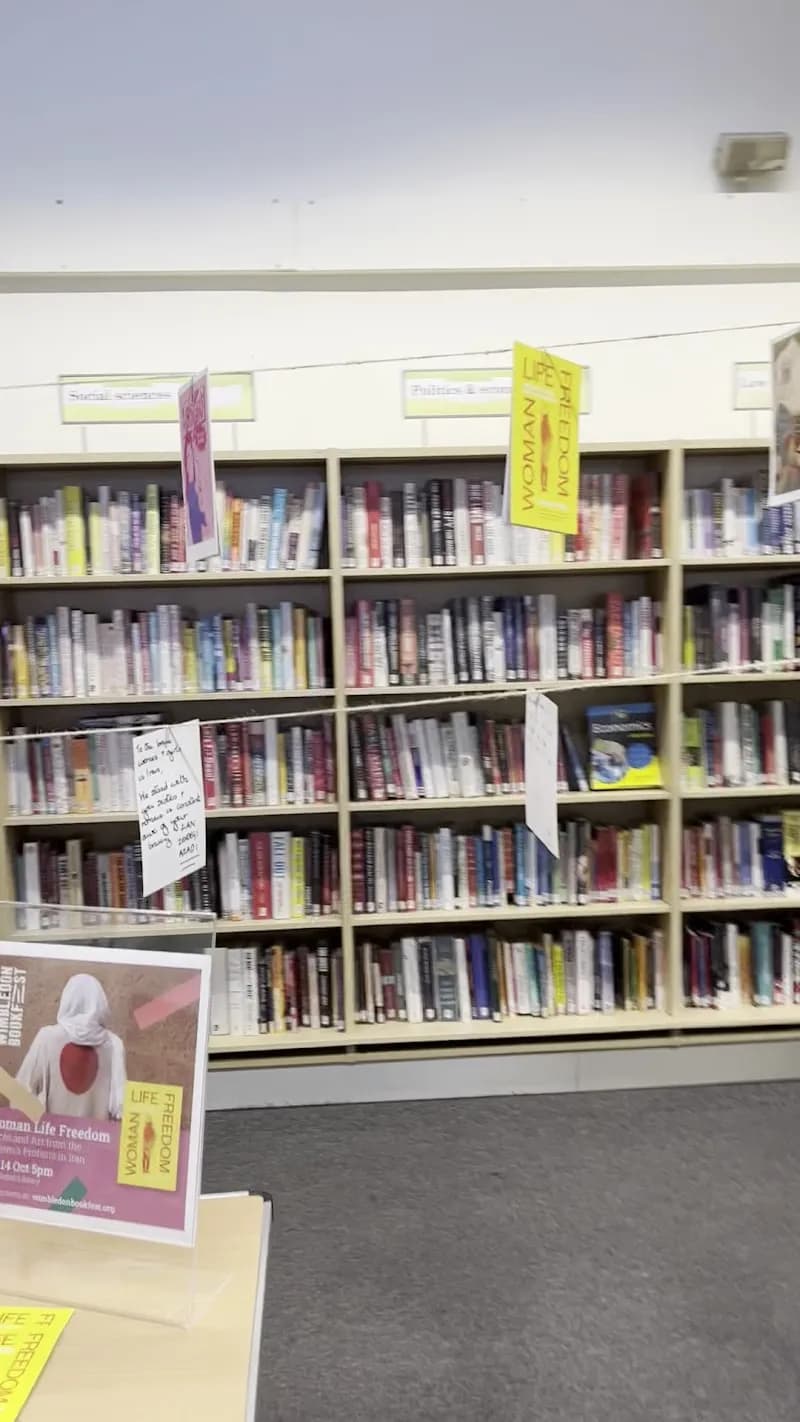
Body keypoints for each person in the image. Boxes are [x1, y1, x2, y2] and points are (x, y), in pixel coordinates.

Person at [16, 973, 126, 1120]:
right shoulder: (113, 1044)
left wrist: (43, 1121)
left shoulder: (47, 1038)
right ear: (100, 1002)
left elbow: (20, 1091)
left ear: (66, 1000)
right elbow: (121, 1107)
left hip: (55, 1139)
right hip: (96, 1141)